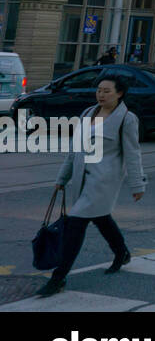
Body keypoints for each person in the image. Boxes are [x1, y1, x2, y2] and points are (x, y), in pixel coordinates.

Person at [38, 74, 146, 297]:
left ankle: (58, 278)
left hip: (104, 182)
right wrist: (62, 178)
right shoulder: (88, 113)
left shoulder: (127, 119)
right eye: (99, 90)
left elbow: (133, 154)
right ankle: (121, 252)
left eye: (107, 91)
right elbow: (74, 150)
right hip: (81, 180)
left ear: (120, 93)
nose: (101, 94)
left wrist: (137, 185)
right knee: (101, 218)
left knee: (75, 224)